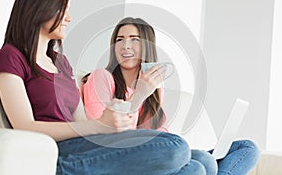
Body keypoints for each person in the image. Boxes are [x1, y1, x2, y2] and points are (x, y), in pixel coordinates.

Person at [0, 0, 222, 175]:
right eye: (64, 10)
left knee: (199, 165)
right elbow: (24, 125)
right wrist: (98, 126)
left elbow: (81, 122)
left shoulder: (61, 62)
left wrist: (106, 123)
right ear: (40, 9)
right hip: (59, 150)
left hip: (83, 144)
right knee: (176, 148)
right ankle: (67, 170)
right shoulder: (11, 57)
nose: (69, 18)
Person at [81, 17, 260, 174]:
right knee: (203, 162)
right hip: (126, 157)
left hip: (155, 155)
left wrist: (146, 92)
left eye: (134, 39)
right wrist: (140, 94)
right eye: (119, 40)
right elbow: (102, 130)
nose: (125, 45)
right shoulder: (101, 77)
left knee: (247, 148)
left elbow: (158, 134)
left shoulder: (155, 91)